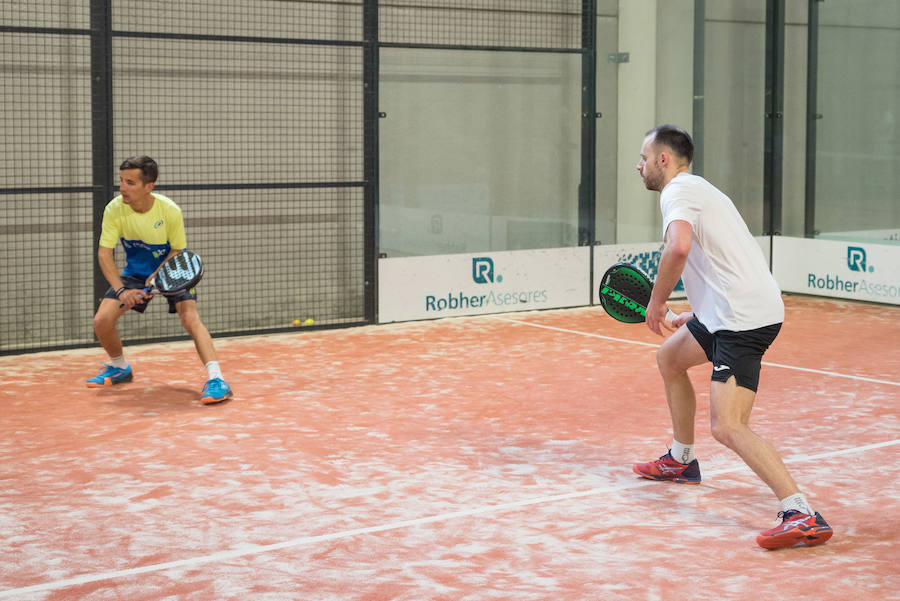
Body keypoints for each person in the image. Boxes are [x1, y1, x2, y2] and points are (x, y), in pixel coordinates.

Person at [631, 125, 832, 550]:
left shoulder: (677, 192)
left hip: (743, 320)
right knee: (670, 359)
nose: (639, 165)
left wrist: (656, 303)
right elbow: (716, 260)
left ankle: (801, 513)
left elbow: (679, 249)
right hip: (727, 313)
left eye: (644, 158)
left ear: (663, 160)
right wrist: (698, 313)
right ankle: (681, 460)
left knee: (728, 425)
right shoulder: (699, 190)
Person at [86, 156, 233, 405]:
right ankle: (120, 368)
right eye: (121, 181)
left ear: (149, 186)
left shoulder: (170, 210)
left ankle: (217, 379)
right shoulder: (114, 208)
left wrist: (159, 276)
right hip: (134, 274)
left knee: (190, 318)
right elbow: (104, 253)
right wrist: (122, 291)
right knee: (102, 320)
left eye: (130, 182)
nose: (122, 188)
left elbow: (178, 250)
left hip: (172, 270)